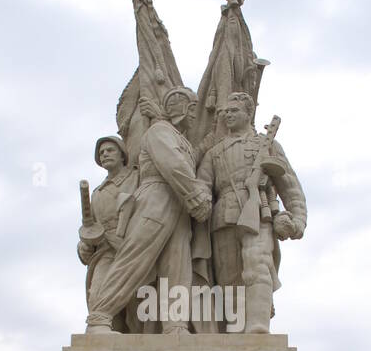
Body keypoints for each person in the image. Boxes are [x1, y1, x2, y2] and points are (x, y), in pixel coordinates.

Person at [86, 91, 211, 335]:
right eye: (193, 106)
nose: (197, 112)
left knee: (177, 264)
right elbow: (172, 164)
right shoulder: (159, 131)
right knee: (135, 257)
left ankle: (175, 324)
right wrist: (196, 194)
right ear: (180, 108)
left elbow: (189, 160)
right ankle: (100, 317)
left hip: (179, 203)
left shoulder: (181, 139)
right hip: (157, 196)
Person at [196, 92, 307, 333]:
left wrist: (297, 221)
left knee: (258, 265)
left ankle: (257, 328)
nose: (227, 115)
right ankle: (236, 332)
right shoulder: (214, 153)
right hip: (223, 218)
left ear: (249, 114)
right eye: (225, 112)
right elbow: (203, 184)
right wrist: (201, 199)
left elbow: (290, 187)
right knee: (229, 279)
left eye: (234, 110)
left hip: (259, 212)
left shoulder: (267, 146)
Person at [78, 135, 140, 332]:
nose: (104, 154)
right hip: (105, 251)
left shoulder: (136, 178)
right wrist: (83, 247)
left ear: (122, 155)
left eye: (109, 150)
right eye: (101, 153)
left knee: (138, 307)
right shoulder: (97, 193)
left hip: (134, 246)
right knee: (97, 296)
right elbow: (90, 227)